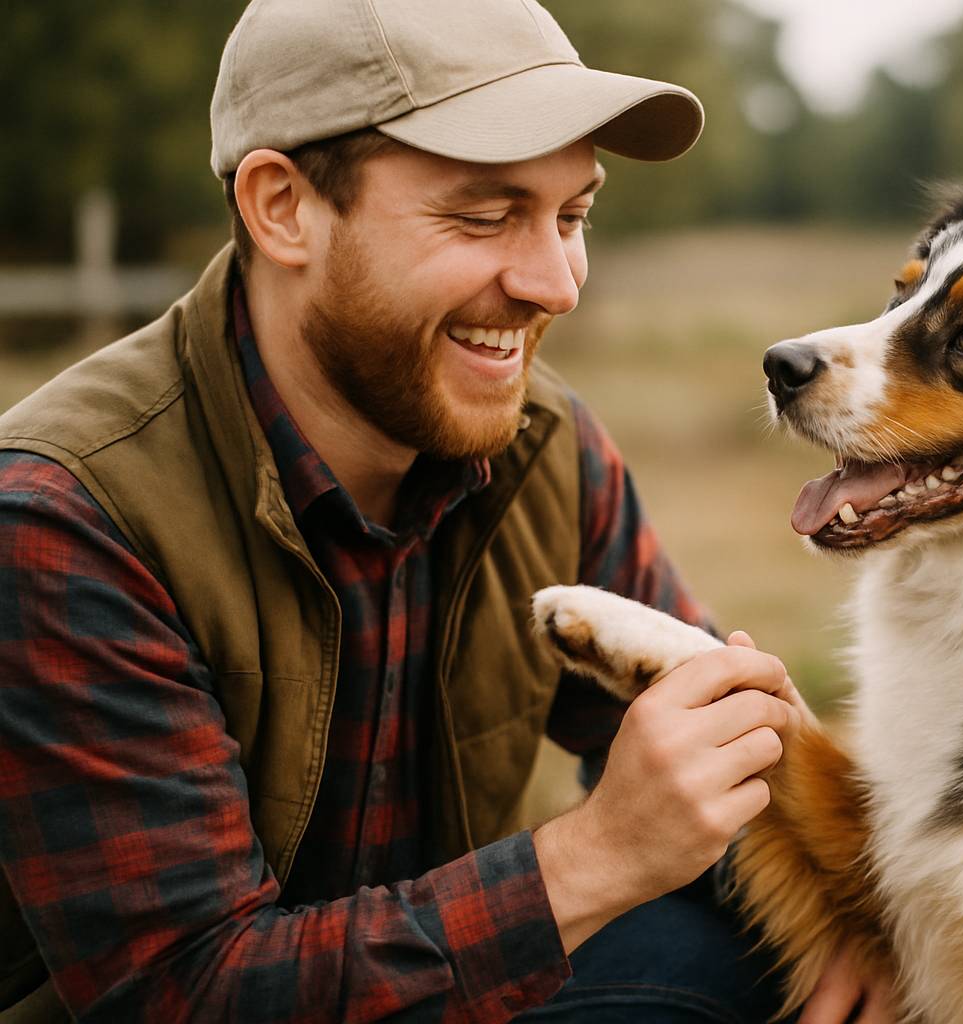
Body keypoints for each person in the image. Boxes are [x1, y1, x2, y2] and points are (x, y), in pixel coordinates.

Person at [0, 1, 890, 1021]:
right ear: (283, 208)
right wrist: (589, 859)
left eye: (572, 217)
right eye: (484, 216)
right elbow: (184, 993)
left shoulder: (545, 449)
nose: (555, 283)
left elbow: (721, 760)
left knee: (750, 964)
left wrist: (859, 925)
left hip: (451, 996)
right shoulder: (66, 519)